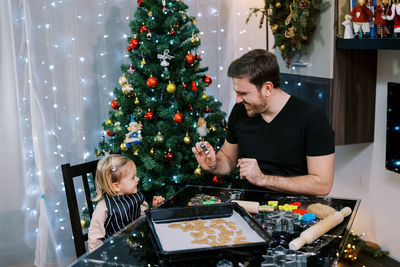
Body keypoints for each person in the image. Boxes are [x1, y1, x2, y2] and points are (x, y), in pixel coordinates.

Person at [192, 49, 335, 196]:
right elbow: (228, 159)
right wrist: (213, 164)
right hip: (248, 208)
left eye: (244, 93)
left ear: (267, 88)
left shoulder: (312, 117)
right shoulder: (240, 111)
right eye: (236, 92)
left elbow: (322, 185)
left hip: (295, 211)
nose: (238, 100)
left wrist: (263, 179)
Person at [88, 154, 164, 251]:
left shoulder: (136, 196)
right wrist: (98, 259)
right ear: (116, 186)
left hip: (138, 245)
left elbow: (143, 219)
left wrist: (154, 209)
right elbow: (95, 238)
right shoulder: (104, 207)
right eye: (133, 178)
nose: (138, 179)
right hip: (116, 250)